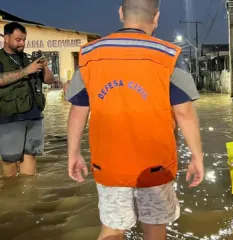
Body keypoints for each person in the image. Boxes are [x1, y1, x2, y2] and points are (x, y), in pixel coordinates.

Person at [65, 0, 204, 239]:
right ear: (157, 17)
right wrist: (197, 157)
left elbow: (78, 111)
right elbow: (184, 113)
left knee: (112, 229)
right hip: (156, 165)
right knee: (154, 227)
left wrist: (73, 154)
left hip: (108, 164)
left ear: (121, 13)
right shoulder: (169, 56)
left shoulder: (90, 55)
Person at [0, 22, 55, 177]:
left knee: (31, 154)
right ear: (6, 38)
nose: (22, 43)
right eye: (18, 40)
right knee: (10, 159)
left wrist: (44, 67)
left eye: (24, 39)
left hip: (34, 116)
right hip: (10, 118)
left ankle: (28, 195)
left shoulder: (28, 59)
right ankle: (12, 195)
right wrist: (26, 71)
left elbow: (49, 80)